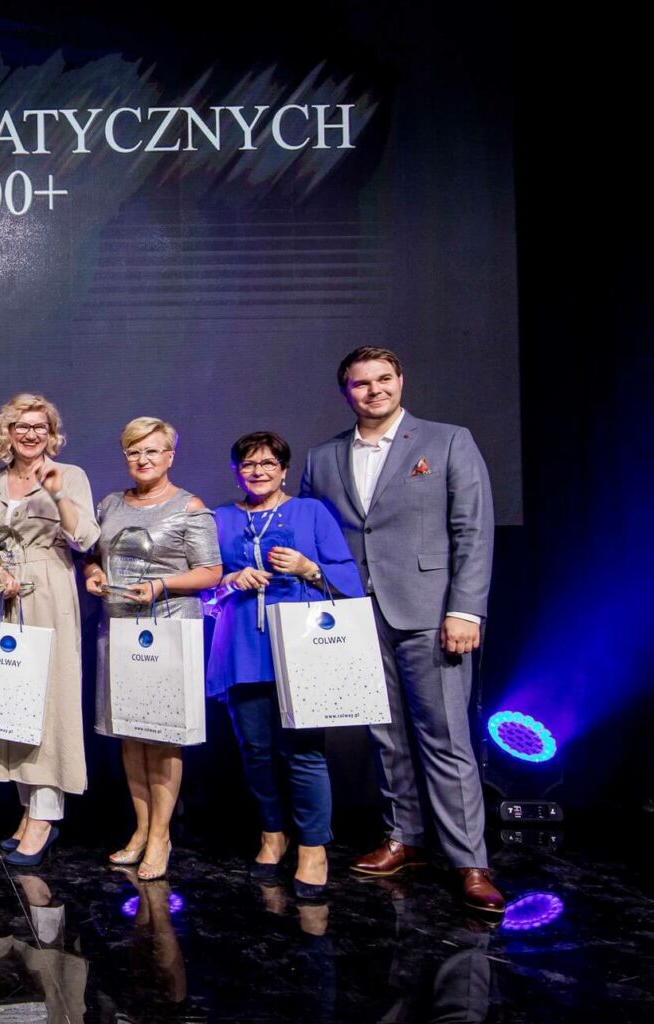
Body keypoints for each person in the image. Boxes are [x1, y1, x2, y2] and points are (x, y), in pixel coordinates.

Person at [301, 347, 501, 913]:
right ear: (346, 391)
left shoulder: (448, 441)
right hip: (354, 613)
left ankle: (469, 862)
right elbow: (318, 536)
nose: (375, 390)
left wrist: (466, 610)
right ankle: (405, 838)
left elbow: (473, 530)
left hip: (430, 614)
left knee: (446, 738)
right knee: (385, 738)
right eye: (361, 383)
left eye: (384, 379)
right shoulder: (322, 457)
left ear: (400, 381)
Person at [206, 431, 363, 900]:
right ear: (237, 472)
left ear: (284, 469)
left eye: (268, 463)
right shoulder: (220, 518)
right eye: (248, 464)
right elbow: (203, 586)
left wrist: (307, 568)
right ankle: (272, 834)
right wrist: (231, 579)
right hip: (240, 647)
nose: (258, 471)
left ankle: (313, 846)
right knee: (254, 750)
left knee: (304, 751)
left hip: (300, 647)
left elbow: (349, 579)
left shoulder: (311, 513)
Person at [83, 417, 221, 879]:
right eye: (134, 452)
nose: (143, 460)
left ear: (170, 456)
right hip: (119, 628)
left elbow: (211, 572)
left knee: (163, 737)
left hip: (168, 629)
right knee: (131, 733)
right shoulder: (109, 504)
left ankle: (161, 836)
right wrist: (93, 574)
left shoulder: (189, 507)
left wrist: (161, 585)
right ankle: (141, 830)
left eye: (153, 451)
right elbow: (94, 557)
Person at [0, 394, 99, 866]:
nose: (30, 434)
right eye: (21, 426)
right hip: (0, 593)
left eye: (39, 427)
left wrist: (57, 493)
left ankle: (46, 816)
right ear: (6, 433)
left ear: (52, 433)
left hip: (48, 589)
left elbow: (85, 539)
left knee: (50, 701)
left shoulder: (70, 475)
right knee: (13, 701)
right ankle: (28, 809)